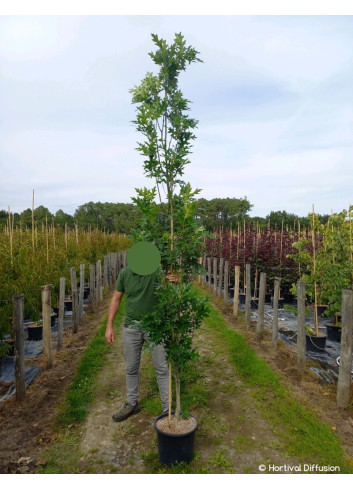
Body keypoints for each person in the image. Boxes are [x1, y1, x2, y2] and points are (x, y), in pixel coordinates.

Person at [105, 256, 178, 422]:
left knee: (162, 368)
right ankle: (132, 403)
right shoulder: (125, 274)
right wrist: (109, 326)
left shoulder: (157, 273)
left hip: (155, 327)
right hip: (131, 328)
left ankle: (168, 409)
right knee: (131, 367)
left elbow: (171, 285)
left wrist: (175, 281)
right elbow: (116, 299)